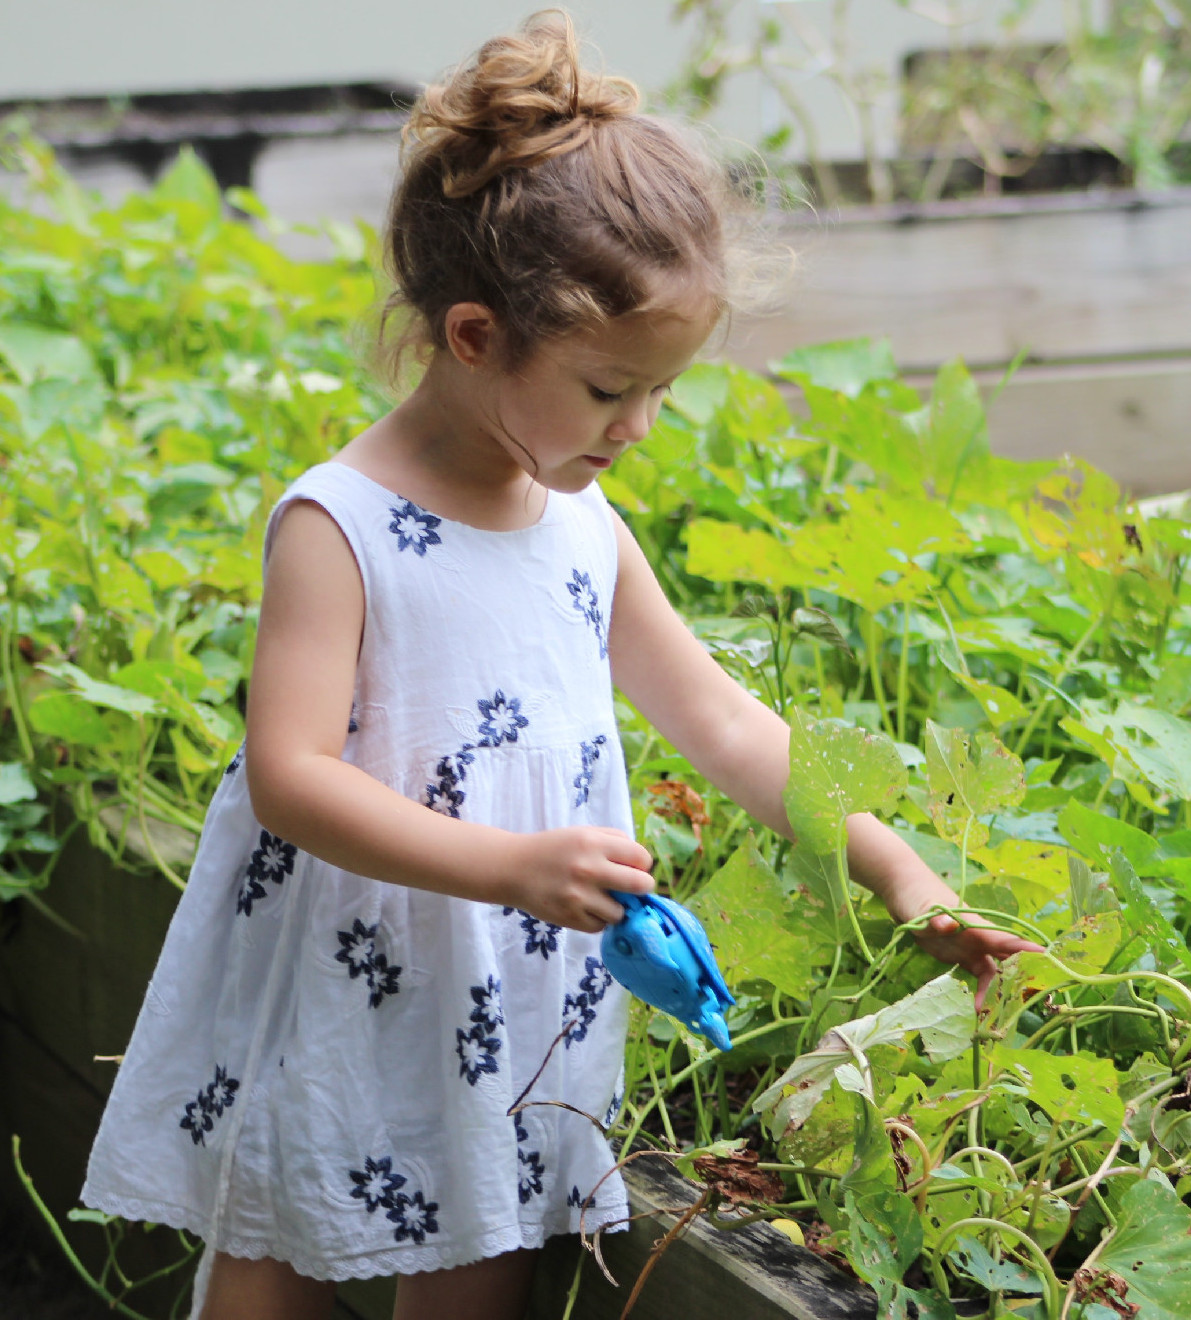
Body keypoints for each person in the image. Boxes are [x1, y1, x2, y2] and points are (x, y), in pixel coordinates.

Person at [81, 11, 1038, 1319]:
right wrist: (510, 867)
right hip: (359, 974)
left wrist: (900, 873)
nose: (637, 427)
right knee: (282, 1247)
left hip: (516, 998)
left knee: (483, 1252)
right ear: (475, 336)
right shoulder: (342, 526)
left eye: (659, 392)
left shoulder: (582, 528)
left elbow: (726, 726)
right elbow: (290, 776)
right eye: (606, 390)